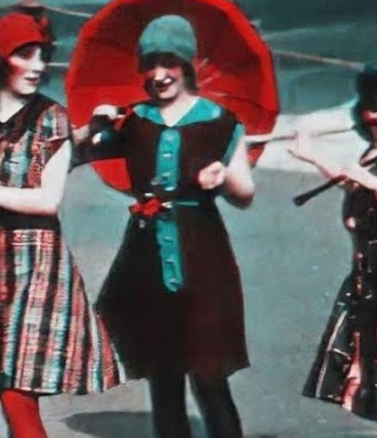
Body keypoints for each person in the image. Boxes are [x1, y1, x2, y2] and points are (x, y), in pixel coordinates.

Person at [0, 12, 120, 438]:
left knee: (16, 388)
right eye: (25, 54)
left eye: (43, 55)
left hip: (39, 261)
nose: (38, 65)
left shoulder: (51, 119)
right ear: (1, 60)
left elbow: (46, 200)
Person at [73, 15, 256, 438]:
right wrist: (93, 127)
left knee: (210, 378)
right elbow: (74, 158)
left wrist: (221, 177)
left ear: (186, 64)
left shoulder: (221, 121)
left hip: (204, 257)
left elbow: (245, 194)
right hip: (146, 257)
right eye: (150, 64)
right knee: (164, 379)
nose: (158, 75)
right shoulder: (132, 119)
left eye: (168, 62)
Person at [293, 62, 377, 438]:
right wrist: (312, 155)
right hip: (373, 278)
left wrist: (375, 185)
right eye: (371, 105)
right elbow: (355, 189)